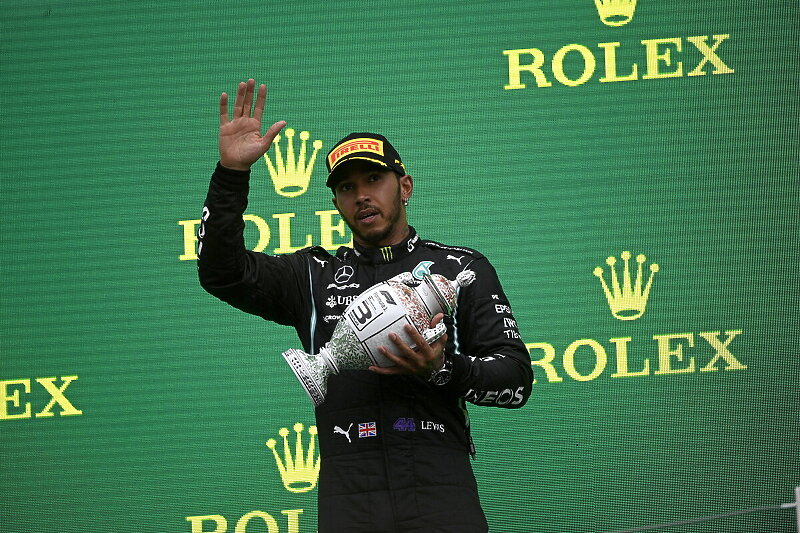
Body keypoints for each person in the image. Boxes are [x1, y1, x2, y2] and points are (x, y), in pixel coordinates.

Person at [197, 79, 533, 533]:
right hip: (348, 492)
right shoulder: (311, 276)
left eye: (374, 179)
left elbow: (515, 379)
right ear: (336, 203)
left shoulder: (460, 268)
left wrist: (443, 368)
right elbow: (221, 272)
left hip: (440, 485)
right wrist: (231, 175)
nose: (361, 196)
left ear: (405, 185)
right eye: (346, 188)